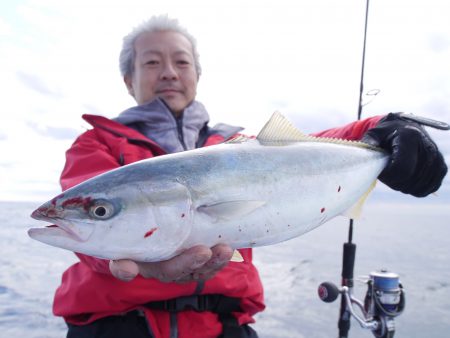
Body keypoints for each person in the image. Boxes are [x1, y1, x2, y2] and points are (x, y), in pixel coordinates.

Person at [53, 15, 447, 338]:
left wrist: (379, 129)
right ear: (129, 79)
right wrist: (129, 258)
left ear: (197, 74)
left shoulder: (233, 144)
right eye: (152, 62)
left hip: (226, 328)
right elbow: (89, 235)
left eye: (182, 61)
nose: (169, 72)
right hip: (117, 329)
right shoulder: (97, 145)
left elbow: (303, 149)